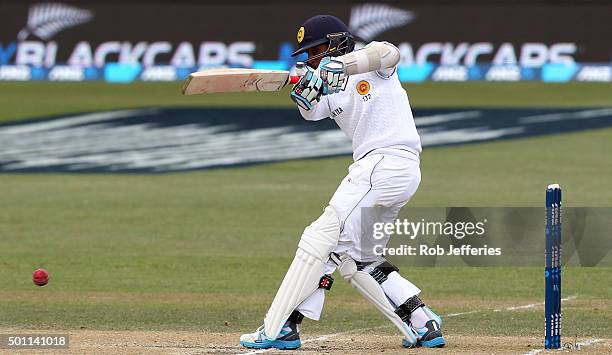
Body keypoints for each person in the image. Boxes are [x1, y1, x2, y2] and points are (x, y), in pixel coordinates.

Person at [240, 14, 445, 350]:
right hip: (395, 173)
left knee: (320, 240)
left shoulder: (371, 65)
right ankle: (423, 321)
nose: (312, 58)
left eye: (317, 50)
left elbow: (390, 51)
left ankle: (281, 327)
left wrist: (345, 66)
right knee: (361, 258)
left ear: (338, 43)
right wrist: (306, 93)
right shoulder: (327, 84)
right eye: (308, 54)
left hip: (384, 165)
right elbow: (313, 110)